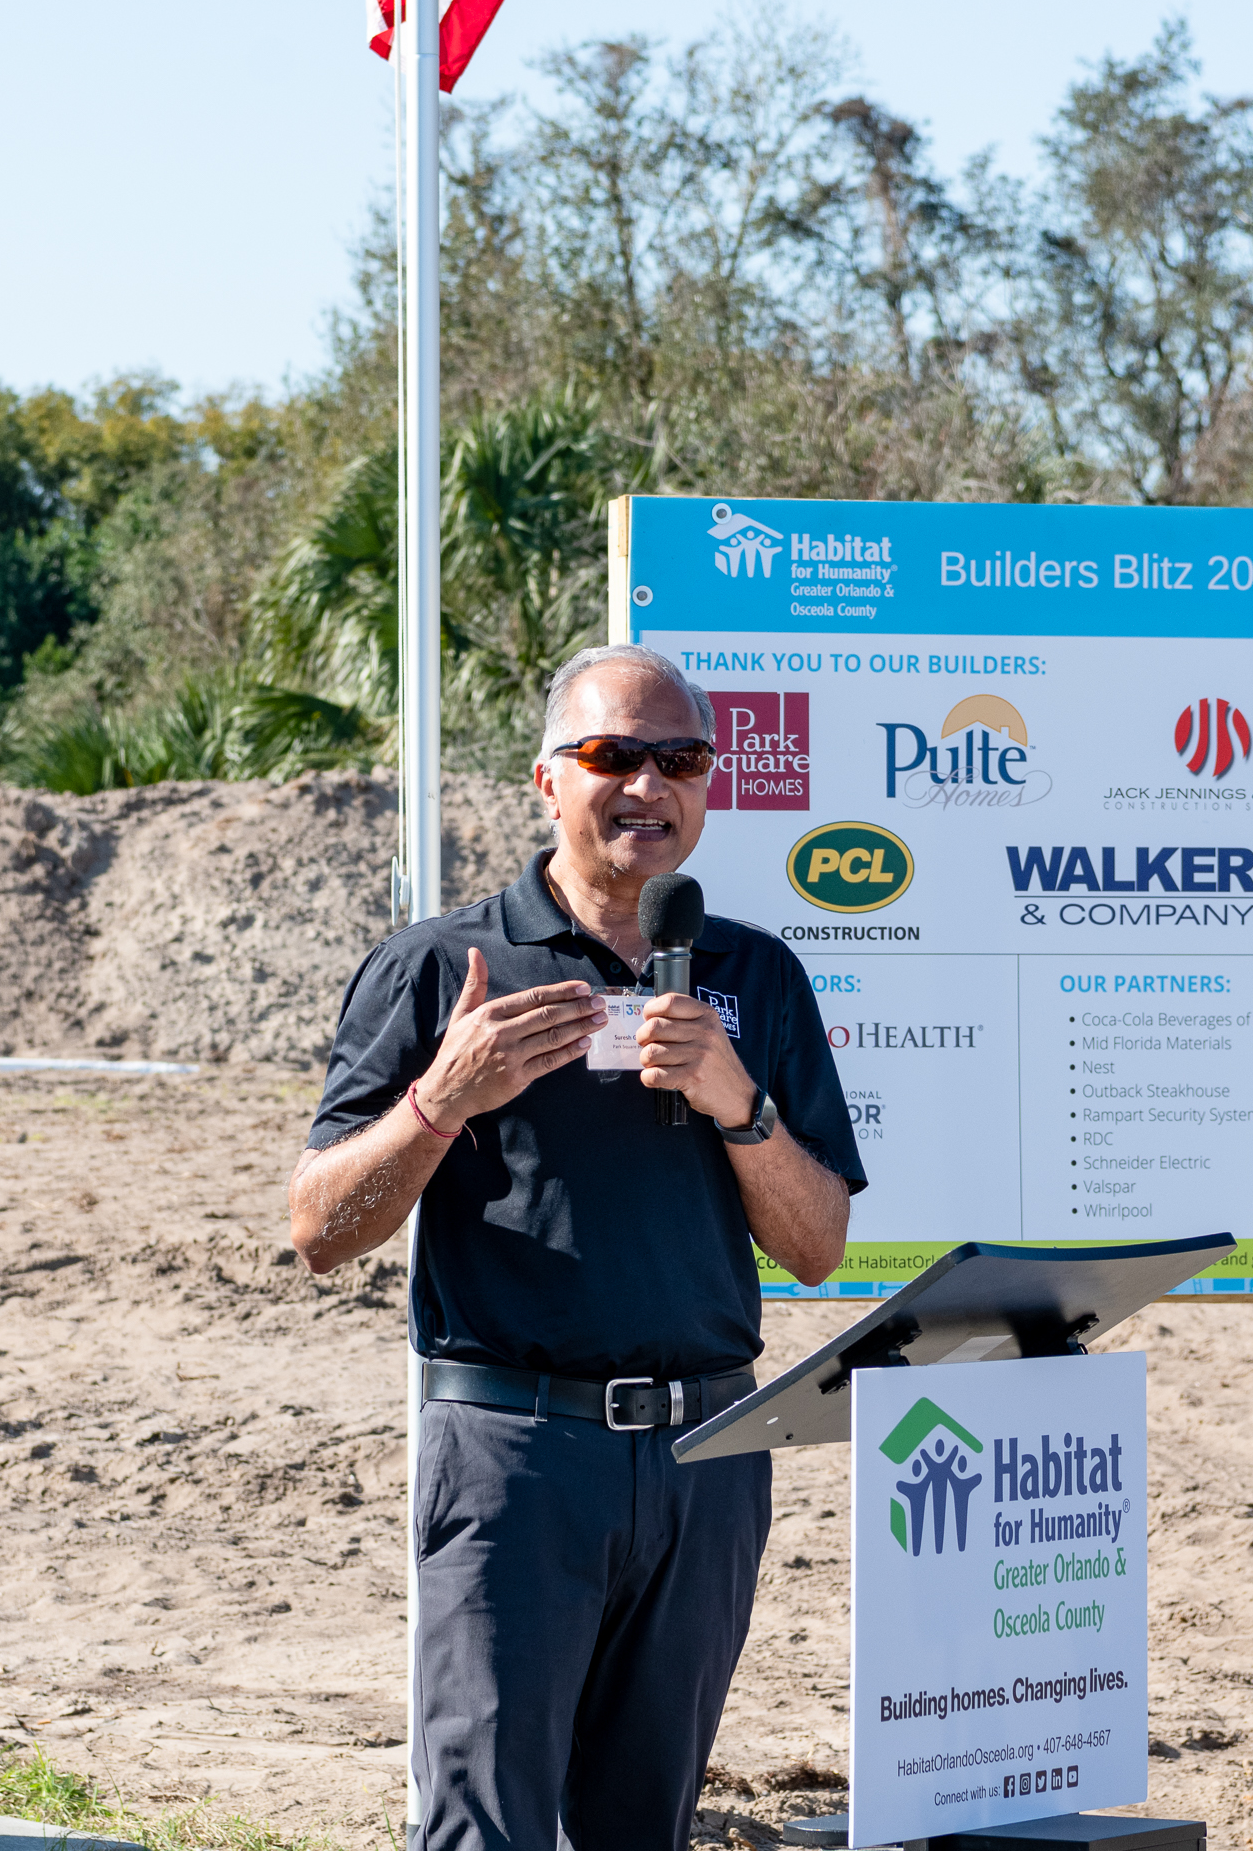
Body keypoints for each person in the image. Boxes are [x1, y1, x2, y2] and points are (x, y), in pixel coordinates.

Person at [288, 643, 865, 1851]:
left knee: (640, 1827)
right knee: (483, 1826)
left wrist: (738, 1103)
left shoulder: (755, 972)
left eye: (680, 759)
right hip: (516, 1461)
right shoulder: (442, 966)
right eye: (611, 754)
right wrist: (442, 1094)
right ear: (547, 780)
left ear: (707, 786)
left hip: (708, 1458)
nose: (646, 785)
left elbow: (814, 1245)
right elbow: (318, 1229)